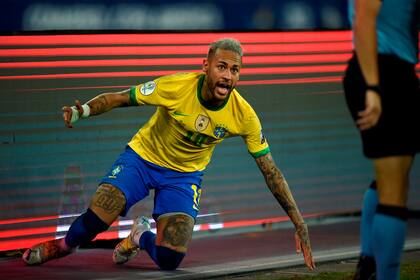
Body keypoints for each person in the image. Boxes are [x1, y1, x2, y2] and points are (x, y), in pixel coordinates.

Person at [22, 38, 315, 271]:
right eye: (221, 67)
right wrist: (81, 111)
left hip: (183, 177)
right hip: (142, 159)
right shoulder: (175, 86)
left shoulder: (244, 115)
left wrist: (299, 222)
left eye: (234, 70)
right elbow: (121, 98)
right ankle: (62, 246)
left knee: (169, 259)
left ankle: (139, 235)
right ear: (206, 66)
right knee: (101, 214)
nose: (227, 76)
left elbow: (271, 171)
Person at [343, 1, 419, 279]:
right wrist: (373, 87)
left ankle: (369, 262)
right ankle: (380, 272)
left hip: (398, 73)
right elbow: (364, 18)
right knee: (392, 189)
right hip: (380, 73)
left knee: (396, 180)